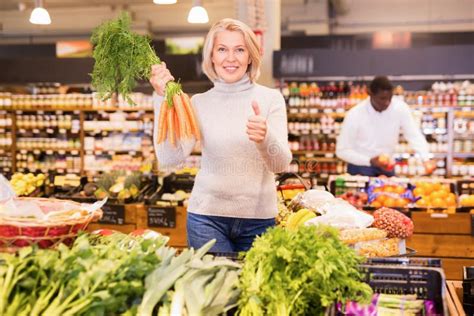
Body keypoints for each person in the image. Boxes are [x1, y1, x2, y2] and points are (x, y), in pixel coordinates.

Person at [149, 18, 292, 253]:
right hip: (206, 219)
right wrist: (161, 99)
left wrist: (265, 138)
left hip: (259, 221)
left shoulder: (270, 99)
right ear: (212, 56)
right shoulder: (199, 103)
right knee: (217, 290)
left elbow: (281, 164)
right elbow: (169, 158)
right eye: (222, 49)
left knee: (253, 290)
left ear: (250, 56)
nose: (231, 58)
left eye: (239, 49)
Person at [336, 76, 435, 177]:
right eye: (382, 99)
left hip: (387, 167)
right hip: (360, 167)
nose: (387, 102)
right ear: (370, 94)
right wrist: (369, 161)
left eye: (390, 98)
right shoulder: (355, 114)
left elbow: (414, 134)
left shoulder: (399, 108)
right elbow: (341, 150)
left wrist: (426, 159)